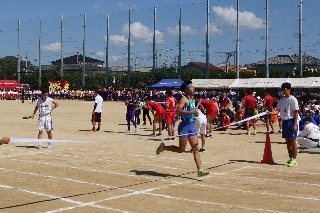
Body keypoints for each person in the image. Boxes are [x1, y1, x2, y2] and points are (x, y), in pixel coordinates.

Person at [156, 80, 209, 177]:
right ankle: (163, 147)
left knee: (195, 148)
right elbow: (178, 111)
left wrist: (195, 113)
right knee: (181, 150)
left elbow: (191, 111)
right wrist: (191, 112)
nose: (193, 88)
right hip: (184, 127)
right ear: (186, 89)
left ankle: (200, 170)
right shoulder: (183, 99)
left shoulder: (192, 100)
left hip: (191, 126)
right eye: (191, 87)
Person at [268, 82, 299, 167]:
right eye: (282, 90)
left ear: (289, 90)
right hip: (284, 121)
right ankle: (290, 158)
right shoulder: (281, 100)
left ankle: (295, 160)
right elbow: (277, 111)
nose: (283, 91)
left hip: (291, 121)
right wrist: (269, 113)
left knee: (293, 141)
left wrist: (295, 124)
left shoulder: (293, 99)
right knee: (287, 142)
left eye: (285, 89)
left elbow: (296, 112)